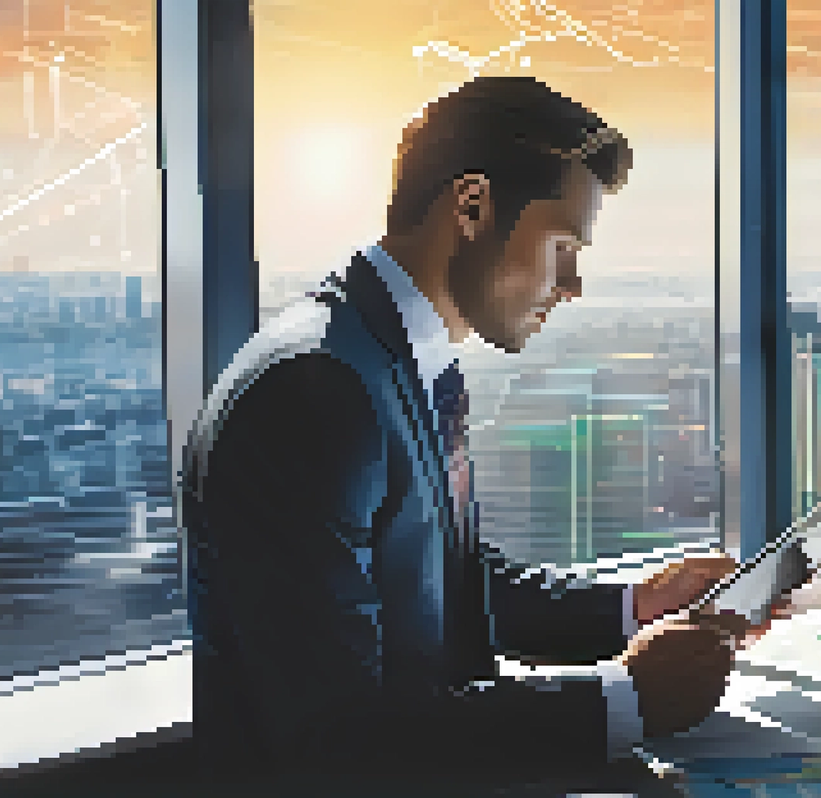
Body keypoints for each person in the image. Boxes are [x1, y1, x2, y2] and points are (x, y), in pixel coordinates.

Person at [180, 76, 741, 784]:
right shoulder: (312, 391)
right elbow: (333, 741)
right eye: (562, 246)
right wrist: (619, 704)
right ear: (472, 206)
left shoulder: (401, 359)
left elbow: (448, 582)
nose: (573, 287)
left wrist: (632, 607)